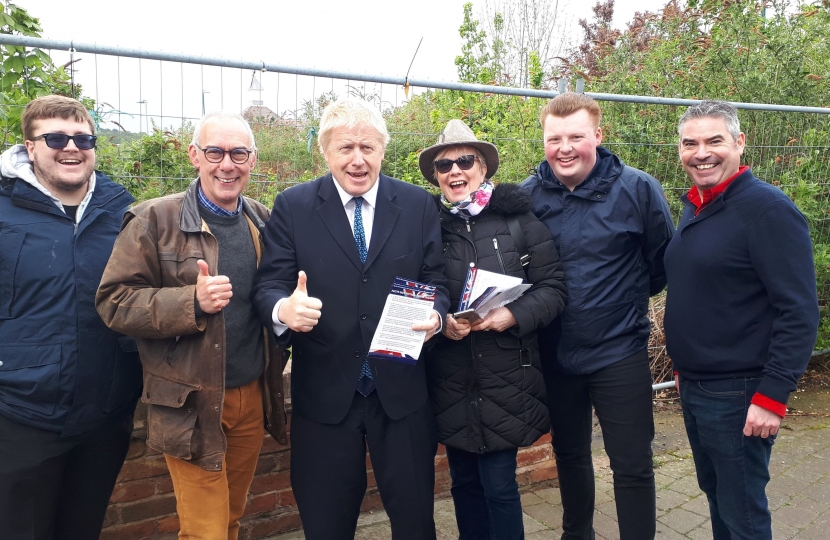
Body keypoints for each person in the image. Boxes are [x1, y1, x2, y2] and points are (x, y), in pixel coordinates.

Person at [251, 99, 450, 540]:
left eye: (367, 147)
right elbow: (268, 285)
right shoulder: (294, 205)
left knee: (416, 521)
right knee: (325, 523)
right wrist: (284, 310)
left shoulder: (418, 205)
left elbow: (436, 278)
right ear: (325, 152)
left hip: (400, 392)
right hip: (324, 391)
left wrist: (436, 315)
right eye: (345, 148)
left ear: (383, 150)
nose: (357, 159)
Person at [96, 111, 289, 540]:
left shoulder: (262, 219)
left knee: (231, 517)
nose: (227, 164)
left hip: (251, 395)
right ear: (194, 156)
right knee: (206, 531)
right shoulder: (153, 220)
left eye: (238, 153)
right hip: (191, 402)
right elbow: (114, 302)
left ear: (253, 160)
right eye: (215, 152)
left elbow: (273, 296)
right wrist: (191, 302)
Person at [520, 92, 674, 540]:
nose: (564, 148)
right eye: (554, 139)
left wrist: (619, 303)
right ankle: (577, 533)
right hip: (555, 351)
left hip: (619, 351)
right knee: (569, 456)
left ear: (598, 136)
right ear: (544, 141)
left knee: (632, 463)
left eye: (576, 137)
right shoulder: (527, 197)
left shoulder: (637, 189)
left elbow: (660, 263)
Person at [664, 100, 819, 540]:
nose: (702, 152)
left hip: (738, 393)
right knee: (717, 497)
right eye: (690, 143)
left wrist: (772, 395)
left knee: (742, 513)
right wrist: (682, 367)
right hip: (696, 386)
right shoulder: (698, 205)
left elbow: (799, 310)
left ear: (739, 142)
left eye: (714, 140)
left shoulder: (767, 210)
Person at [0, 95, 142, 539]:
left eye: (83, 138)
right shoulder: (5, 211)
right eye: (56, 137)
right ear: (30, 146)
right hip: (22, 412)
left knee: (83, 528)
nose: (71, 148)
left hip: (106, 410)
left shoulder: (123, 209)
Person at [419, 120, 567, 540]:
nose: (454, 171)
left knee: (500, 486)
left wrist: (512, 316)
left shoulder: (518, 221)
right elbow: (419, 287)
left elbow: (553, 288)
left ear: (482, 167)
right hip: (450, 375)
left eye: (464, 161)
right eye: (444, 165)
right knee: (463, 483)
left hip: (506, 373)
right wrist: (439, 321)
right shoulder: (429, 226)